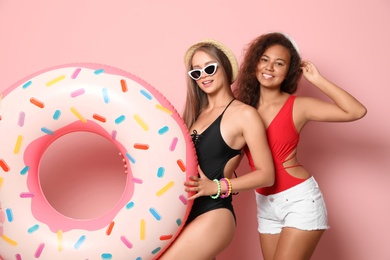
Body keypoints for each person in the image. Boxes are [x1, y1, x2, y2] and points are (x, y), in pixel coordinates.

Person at [235, 32, 367, 260]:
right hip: (265, 204)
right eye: (264, 59)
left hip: (298, 200)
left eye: (279, 63)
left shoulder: (299, 106)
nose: (270, 68)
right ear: (255, 63)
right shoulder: (242, 109)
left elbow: (356, 111)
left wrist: (317, 80)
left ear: (288, 71)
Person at [159, 39, 275, 259]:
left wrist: (217, 187)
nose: (204, 75)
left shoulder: (244, 114)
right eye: (196, 72)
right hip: (183, 214)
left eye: (210, 68)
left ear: (225, 67)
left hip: (214, 213)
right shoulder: (193, 116)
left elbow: (267, 174)